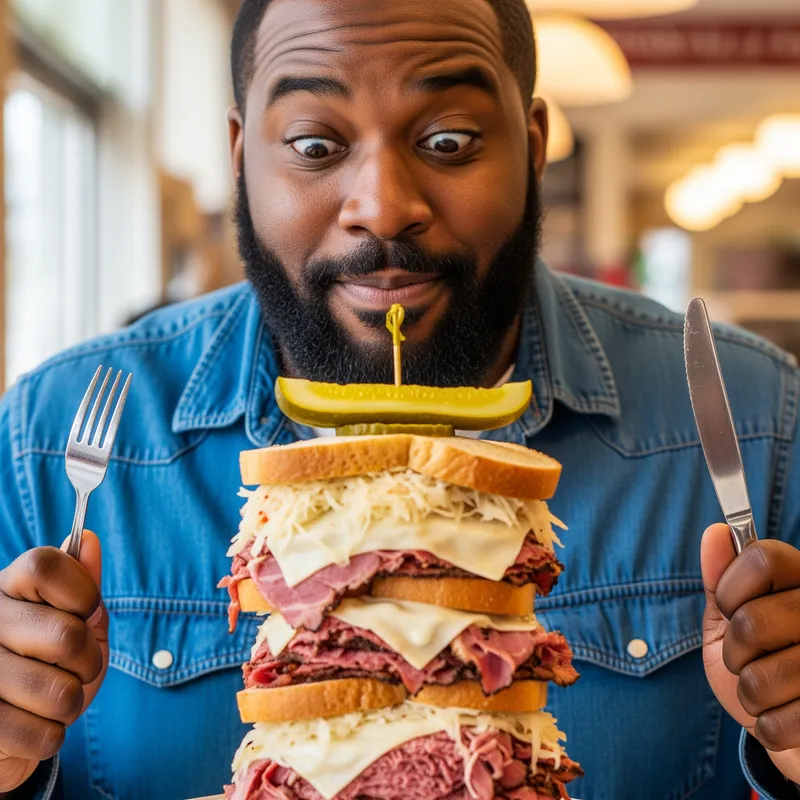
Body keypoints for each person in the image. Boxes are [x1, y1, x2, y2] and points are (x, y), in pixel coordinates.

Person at [0, 1, 798, 798]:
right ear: (241, 155)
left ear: (533, 147)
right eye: (315, 145)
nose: (382, 207)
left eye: (448, 142)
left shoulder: (757, 426)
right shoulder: (53, 439)